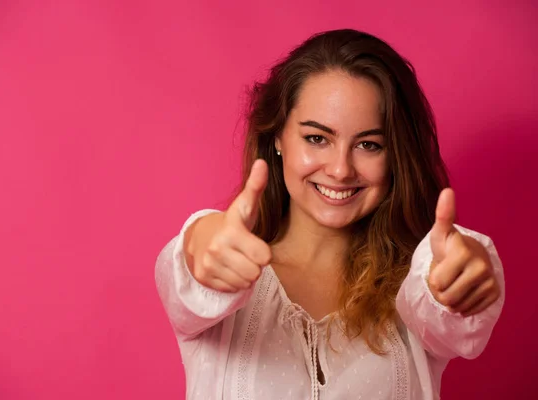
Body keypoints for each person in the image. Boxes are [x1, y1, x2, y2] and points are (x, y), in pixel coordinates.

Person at [155, 29, 504, 400]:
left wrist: (465, 276)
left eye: (369, 145)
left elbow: (449, 309)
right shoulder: (219, 274)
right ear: (277, 136)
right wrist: (202, 242)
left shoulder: (417, 292)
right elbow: (191, 268)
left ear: (395, 157)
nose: (340, 170)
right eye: (317, 138)